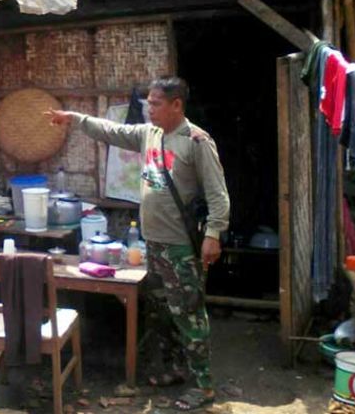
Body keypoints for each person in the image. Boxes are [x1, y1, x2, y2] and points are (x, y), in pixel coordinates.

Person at [45, 77, 230, 411]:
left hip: (181, 246)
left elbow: (218, 194)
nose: (149, 109)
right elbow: (111, 131)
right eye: (148, 102)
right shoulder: (150, 134)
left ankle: (203, 386)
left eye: (156, 103)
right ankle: (175, 370)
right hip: (154, 244)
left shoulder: (197, 141)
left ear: (177, 105)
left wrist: (214, 234)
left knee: (189, 314)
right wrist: (75, 118)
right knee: (162, 313)